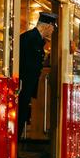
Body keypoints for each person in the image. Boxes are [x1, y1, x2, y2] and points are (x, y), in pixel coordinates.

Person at [17, 12, 57, 142]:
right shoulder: (29, 38)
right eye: (52, 28)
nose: (52, 31)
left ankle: (16, 152)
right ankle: (15, 153)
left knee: (22, 116)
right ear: (47, 26)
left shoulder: (37, 40)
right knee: (19, 117)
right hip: (22, 86)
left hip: (27, 86)